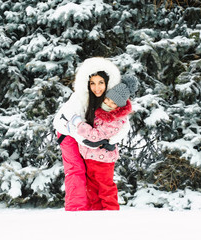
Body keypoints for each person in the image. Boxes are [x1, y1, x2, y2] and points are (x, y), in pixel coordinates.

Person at [53, 57, 130, 211]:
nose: (97, 88)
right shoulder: (79, 97)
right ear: (87, 83)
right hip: (68, 134)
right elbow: (60, 121)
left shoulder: (111, 99)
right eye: (92, 83)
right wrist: (84, 140)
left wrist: (112, 140)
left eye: (101, 83)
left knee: (94, 178)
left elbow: (124, 125)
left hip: (91, 139)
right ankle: (76, 211)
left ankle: (95, 213)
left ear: (107, 83)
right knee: (77, 171)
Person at [67, 75, 138, 210]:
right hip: (90, 159)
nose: (108, 104)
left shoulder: (115, 120)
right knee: (92, 190)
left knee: (106, 189)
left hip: (103, 161)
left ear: (119, 106)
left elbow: (96, 136)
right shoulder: (100, 111)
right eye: (107, 99)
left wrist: (78, 124)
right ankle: (97, 216)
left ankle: (110, 214)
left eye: (113, 103)